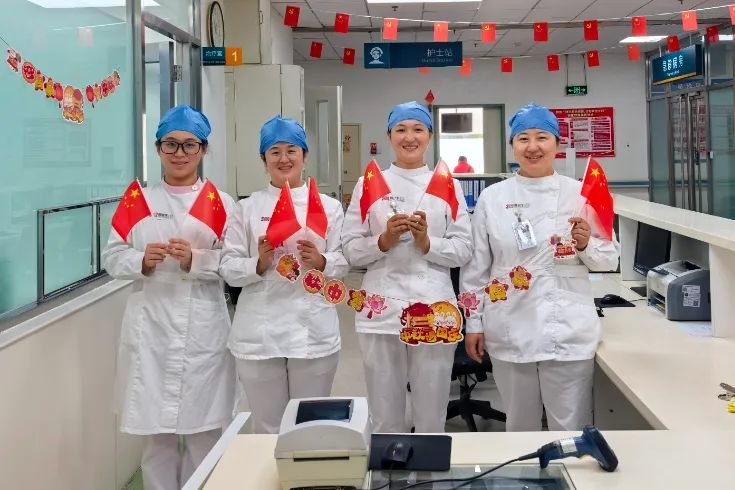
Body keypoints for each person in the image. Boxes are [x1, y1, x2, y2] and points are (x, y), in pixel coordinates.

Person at [460, 103, 620, 432]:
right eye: (523, 139)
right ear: (512, 146)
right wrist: (473, 323)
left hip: (568, 327)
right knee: (519, 424)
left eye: (542, 137)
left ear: (557, 143)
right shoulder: (493, 197)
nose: (533, 146)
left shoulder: (582, 194)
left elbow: (609, 259)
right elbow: (476, 268)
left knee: (571, 426)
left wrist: (586, 245)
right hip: (509, 323)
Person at [102, 105, 236, 490]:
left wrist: (196, 259)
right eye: (170, 144)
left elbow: (233, 264)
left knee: (203, 431)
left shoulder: (221, 203)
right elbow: (112, 256)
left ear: (203, 149)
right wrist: (140, 260)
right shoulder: (138, 200)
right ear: (158, 148)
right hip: (152, 326)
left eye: (189, 144)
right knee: (155, 435)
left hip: (203, 325)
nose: (180, 153)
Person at [342, 101, 473, 433]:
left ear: (430, 136)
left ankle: (429, 466)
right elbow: (351, 250)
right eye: (401, 129)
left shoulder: (446, 183)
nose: (409, 137)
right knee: (385, 413)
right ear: (389, 135)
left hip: (434, 308)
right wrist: (383, 240)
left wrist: (427, 243)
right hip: (381, 309)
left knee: (431, 414)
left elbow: (464, 248)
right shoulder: (370, 183)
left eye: (418, 129)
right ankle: (388, 465)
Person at [219, 115, 348, 434]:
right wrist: (258, 264)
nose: (284, 158)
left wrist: (321, 261)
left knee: (310, 425)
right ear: (263, 159)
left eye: (292, 150)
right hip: (260, 332)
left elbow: (344, 261)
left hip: (312, 329)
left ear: (305, 156)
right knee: (268, 427)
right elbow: (228, 267)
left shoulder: (328, 207)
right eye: (274, 151)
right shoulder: (247, 208)